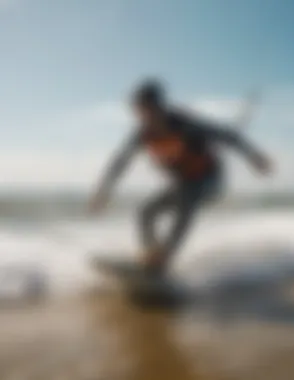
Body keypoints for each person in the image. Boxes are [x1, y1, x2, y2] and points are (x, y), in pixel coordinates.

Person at [88, 79, 273, 276]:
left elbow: (229, 135)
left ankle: (164, 259)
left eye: (148, 110)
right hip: (185, 184)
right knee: (146, 212)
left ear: (159, 107)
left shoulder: (185, 125)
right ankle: (151, 256)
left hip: (210, 182)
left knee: (186, 196)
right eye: (139, 111)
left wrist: (255, 157)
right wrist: (103, 192)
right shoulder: (142, 134)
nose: (144, 117)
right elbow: (121, 161)